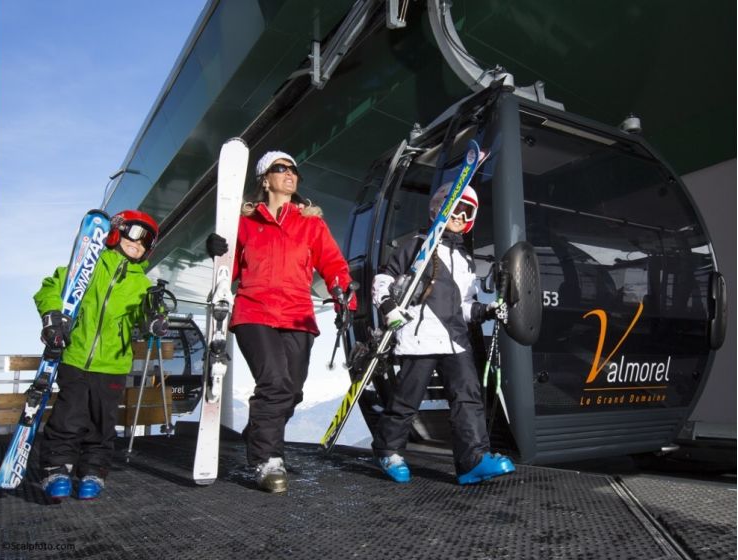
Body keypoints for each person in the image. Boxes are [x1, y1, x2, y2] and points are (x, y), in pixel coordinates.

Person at [206, 150, 356, 494]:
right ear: (264, 178)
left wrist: (344, 296)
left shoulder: (310, 224)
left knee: (292, 390)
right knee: (273, 382)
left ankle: (259, 430)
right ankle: (267, 459)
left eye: (294, 171)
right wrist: (214, 247)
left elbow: (333, 265)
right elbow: (227, 265)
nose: (290, 175)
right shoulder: (244, 223)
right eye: (281, 169)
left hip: (298, 314)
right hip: (254, 311)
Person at [370, 183, 515, 485]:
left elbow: (464, 306)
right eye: (456, 207)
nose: (461, 216)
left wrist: (486, 311)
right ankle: (388, 450)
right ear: (439, 208)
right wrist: (388, 306)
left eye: (468, 211)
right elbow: (383, 278)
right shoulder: (417, 245)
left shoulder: (465, 259)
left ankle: (472, 460)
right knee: (407, 399)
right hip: (420, 336)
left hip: (455, 338)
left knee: (468, 397)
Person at [35, 210, 167, 500]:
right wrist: (52, 315)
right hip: (75, 356)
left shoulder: (142, 284)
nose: (138, 243)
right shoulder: (87, 267)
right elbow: (50, 287)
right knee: (69, 416)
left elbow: (152, 318)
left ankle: (93, 470)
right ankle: (56, 468)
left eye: (146, 240)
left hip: (114, 364)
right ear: (117, 231)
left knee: (103, 420)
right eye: (134, 233)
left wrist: (154, 320)